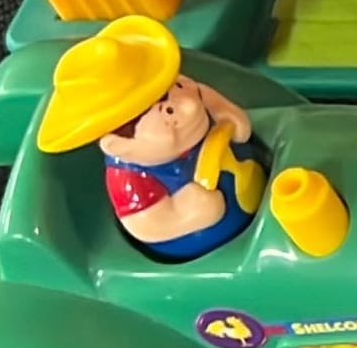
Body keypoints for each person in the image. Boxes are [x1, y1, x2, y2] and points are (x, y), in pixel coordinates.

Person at [35, 15, 267, 261]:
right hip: (210, 246)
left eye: (171, 90)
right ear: (117, 144)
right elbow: (145, 223)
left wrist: (225, 113)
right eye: (160, 112)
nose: (187, 105)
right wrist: (189, 213)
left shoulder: (189, 93)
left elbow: (201, 93)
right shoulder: (131, 178)